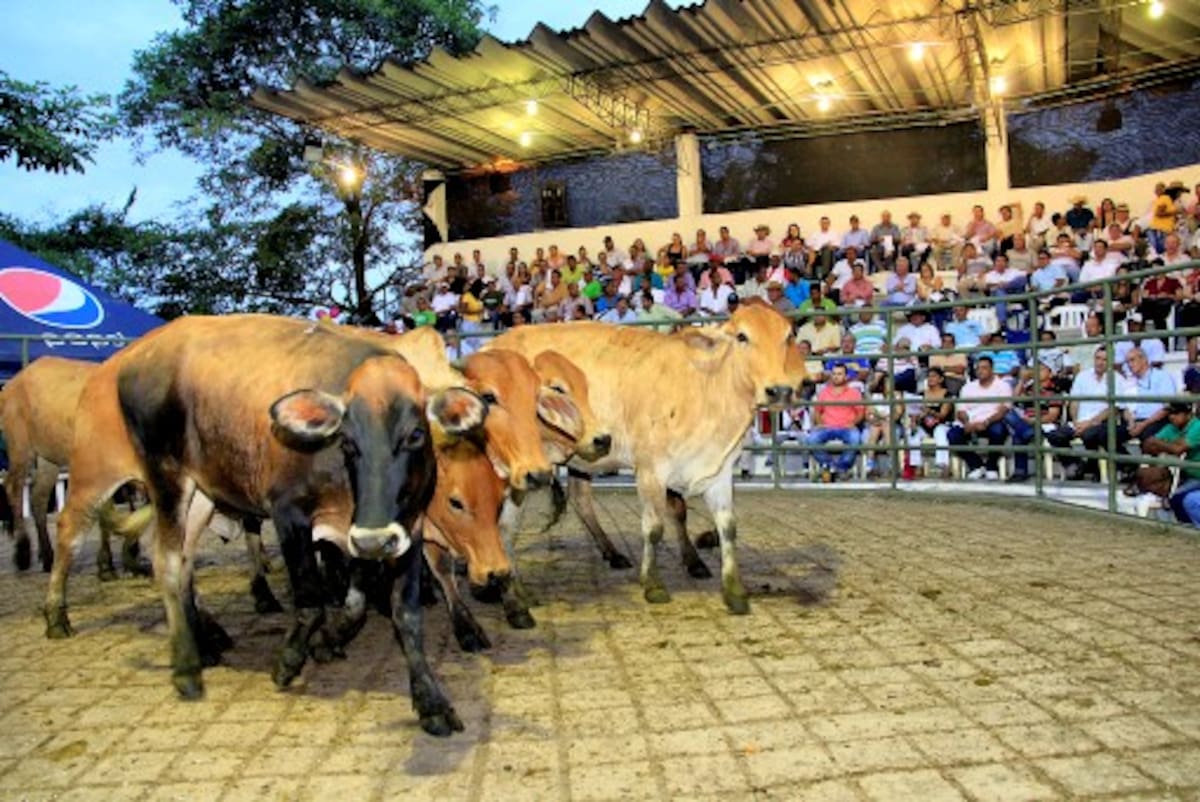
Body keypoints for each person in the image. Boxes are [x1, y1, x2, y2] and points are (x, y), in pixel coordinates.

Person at [1046, 348, 1131, 480]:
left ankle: (1094, 468)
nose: (1100, 362)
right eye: (1098, 358)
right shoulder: (1083, 376)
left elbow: (1114, 408)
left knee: (1090, 434)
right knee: (1054, 435)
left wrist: (1089, 423)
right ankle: (1075, 465)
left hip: (1101, 422)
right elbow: (1074, 402)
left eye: (1104, 359)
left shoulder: (1117, 379)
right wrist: (1075, 421)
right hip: (1080, 422)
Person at [947, 356, 1011, 479]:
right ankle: (976, 465)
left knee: (998, 431)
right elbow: (961, 410)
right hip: (970, 422)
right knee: (953, 435)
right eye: (978, 368)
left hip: (992, 420)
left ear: (992, 369)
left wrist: (986, 422)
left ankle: (991, 466)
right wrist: (967, 423)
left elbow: (1004, 410)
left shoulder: (1003, 385)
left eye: (984, 368)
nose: (980, 371)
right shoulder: (968, 387)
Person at [1004, 360, 1064, 482]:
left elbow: (1052, 416)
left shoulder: (1054, 390)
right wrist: (1022, 381)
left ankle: (1020, 472)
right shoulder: (1029, 389)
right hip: (1026, 423)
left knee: (1018, 436)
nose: (1036, 372)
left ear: (1050, 373)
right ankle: (1026, 431)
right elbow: (1013, 400)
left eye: (1041, 369)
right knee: (1007, 412)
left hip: (1043, 424)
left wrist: (1034, 421)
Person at [1141, 403, 1200, 526]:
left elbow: (1179, 450)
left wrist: (1159, 443)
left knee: (1177, 498)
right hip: (1183, 474)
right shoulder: (1170, 427)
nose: (1172, 417)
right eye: (1170, 413)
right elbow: (1147, 446)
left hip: (1196, 476)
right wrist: (1171, 446)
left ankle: (1188, 524)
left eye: (1177, 413)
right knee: (1150, 478)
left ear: (1188, 414)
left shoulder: (1197, 426)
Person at [808, 363, 866, 482]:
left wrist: (853, 423)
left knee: (855, 439)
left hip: (846, 427)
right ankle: (830, 465)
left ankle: (841, 467)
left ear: (846, 376)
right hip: (827, 427)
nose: (836, 377)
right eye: (834, 374)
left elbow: (860, 412)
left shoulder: (854, 393)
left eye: (839, 374)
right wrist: (820, 423)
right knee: (811, 440)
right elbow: (817, 411)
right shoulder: (824, 392)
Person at [905, 365, 954, 478]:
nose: (930, 379)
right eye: (929, 376)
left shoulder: (947, 394)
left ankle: (943, 465)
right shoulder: (921, 394)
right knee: (913, 434)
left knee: (940, 433)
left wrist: (928, 411)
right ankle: (917, 466)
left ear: (941, 379)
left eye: (934, 376)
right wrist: (914, 419)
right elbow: (914, 411)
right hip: (924, 424)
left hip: (941, 424)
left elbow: (943, 415)